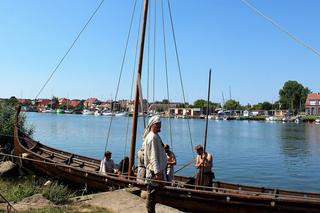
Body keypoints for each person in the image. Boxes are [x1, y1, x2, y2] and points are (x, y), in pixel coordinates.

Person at [143, 115, 167, 213]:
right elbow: (153, 156)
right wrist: (157, 173)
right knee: (152, 196)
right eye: (158, 124)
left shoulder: (155, 136)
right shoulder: (152, 137)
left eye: (160, 124)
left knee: (154, 196)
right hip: (154, 172)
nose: (159, 126)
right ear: (152, 125)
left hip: (157, 171)